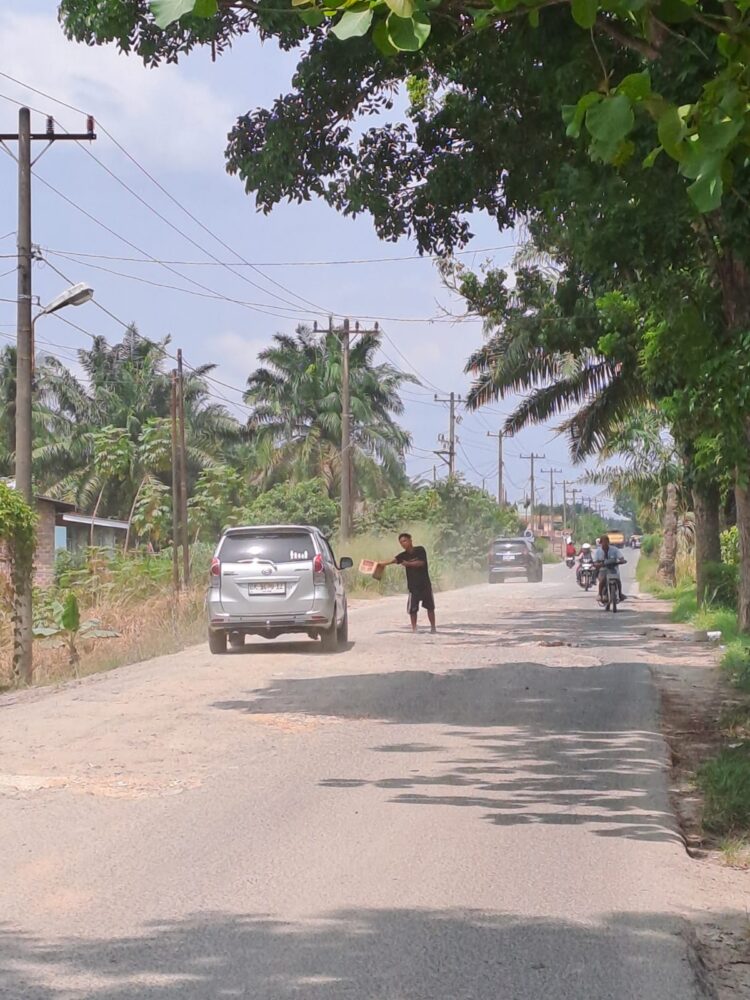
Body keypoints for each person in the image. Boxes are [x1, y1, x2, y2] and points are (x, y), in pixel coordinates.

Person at [382, 532, 436, 633]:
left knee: (430, 607)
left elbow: (421, 563)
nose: (403, 544)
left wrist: (408, 564)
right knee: (413, 609)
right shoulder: (403, 555)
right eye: (401, 542)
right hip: (413, 587)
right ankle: (414, 628)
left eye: (405, 541)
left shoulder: (420, 550)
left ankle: (433, 627)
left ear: (410, 540)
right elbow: (392, 561)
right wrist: (380, 564)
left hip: (425, 585)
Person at [594, 534, 626, 605]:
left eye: (606, 541)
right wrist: (598, 564)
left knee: (618, 580)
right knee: (602, 580)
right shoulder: (598, 551)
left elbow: (621, 557)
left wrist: (622, 561)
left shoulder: (614, 549)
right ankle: (600, 594)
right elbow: (595, 562)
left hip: (613, 569)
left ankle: (620, 594)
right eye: (603, 542)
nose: (605, 543)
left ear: (608, 542)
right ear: (601, 543)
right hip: (603, 570)